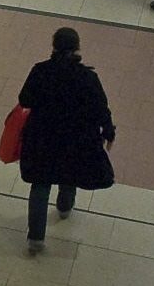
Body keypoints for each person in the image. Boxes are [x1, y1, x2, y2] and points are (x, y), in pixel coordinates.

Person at [17, 26, 116, 251]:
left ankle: (36, 238)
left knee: (41, 183)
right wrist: (109, 132)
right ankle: (64, 207)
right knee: (69, 174)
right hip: (75, 139)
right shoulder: (88, 77)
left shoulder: (40, 71)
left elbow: (25, 100)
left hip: (42, 137)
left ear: (53, 46)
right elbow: (101, 108)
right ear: (77, 47)